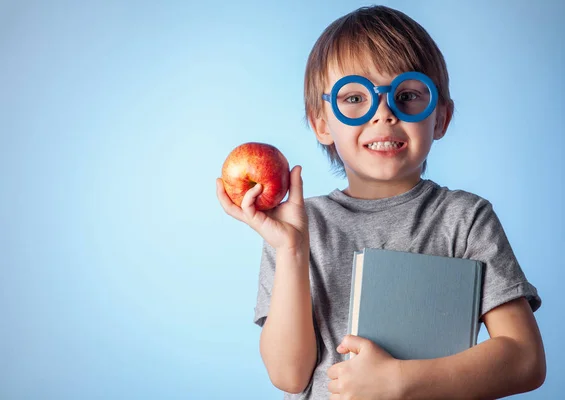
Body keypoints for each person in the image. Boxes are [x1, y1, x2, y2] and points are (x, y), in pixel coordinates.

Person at [216, 5, 546, 399]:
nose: (384, 113)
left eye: (407, 95)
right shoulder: (299, 229)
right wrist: (291, 250)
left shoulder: (465, 219)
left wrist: (398, 381)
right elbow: (289, 375)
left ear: (440, 118)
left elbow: (525, 359)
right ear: (322, 122)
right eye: (355, 97)